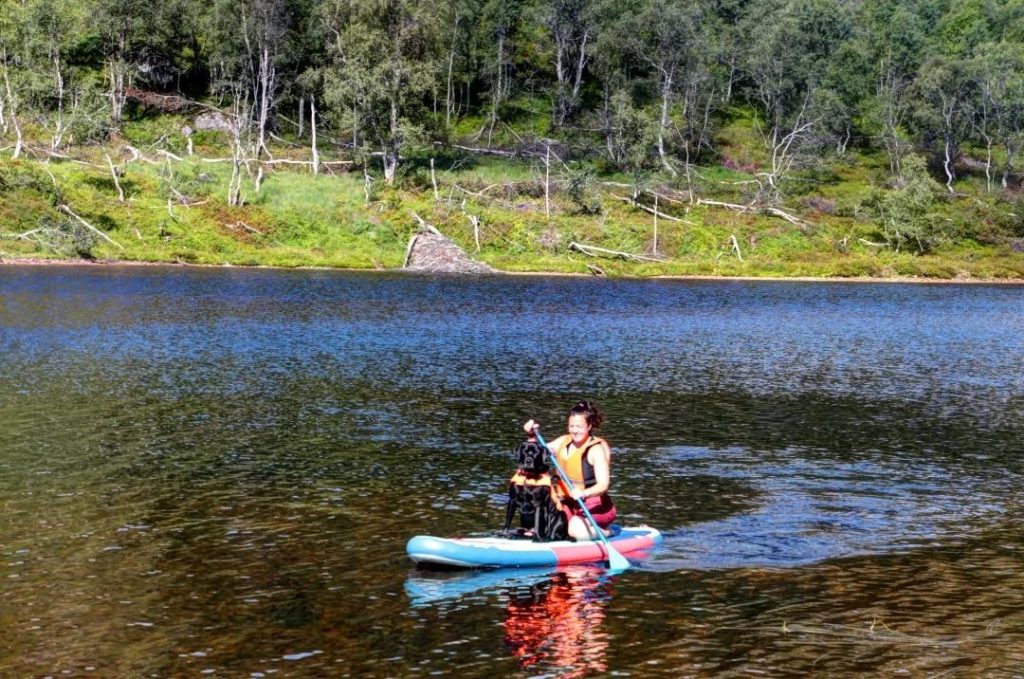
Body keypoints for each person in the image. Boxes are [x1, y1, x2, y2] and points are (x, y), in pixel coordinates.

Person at [523, 400, 617, 541]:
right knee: (545, 525)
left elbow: (603, 485)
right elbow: (538, 451)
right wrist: (532, 436)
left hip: (595, 507)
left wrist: (584, 493)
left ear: (589, 426)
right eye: (571, 426)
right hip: (568, 504)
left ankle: (608, 532)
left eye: (579, 426)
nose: (574, 430)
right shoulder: (563, 441)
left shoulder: (596, 450)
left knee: (575, 529)